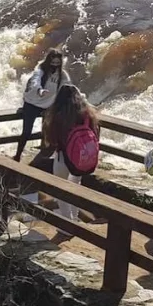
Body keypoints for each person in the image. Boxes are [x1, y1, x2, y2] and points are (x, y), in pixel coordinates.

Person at [42, 84, 100, 221]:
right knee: (75, 186)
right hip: (81, 157)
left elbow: (51, 139)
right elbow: (95, 134)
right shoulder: (87, 114)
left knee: (60, 189)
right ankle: (75, 216)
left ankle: (67, 221)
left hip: (63, 157)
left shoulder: (59, 115)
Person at [15, 49, 71, 162]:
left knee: (47, 132)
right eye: (52, 63)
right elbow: (36, 80)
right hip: (32, 103)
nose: (55, 65)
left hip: (47, 106)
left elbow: (69, 88)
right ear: (48, 61)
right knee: (26, 132)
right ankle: (18, 155)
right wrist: (40, 90)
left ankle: (43, 154)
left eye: (57, 63)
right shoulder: (41, 69)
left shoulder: (62, 75)